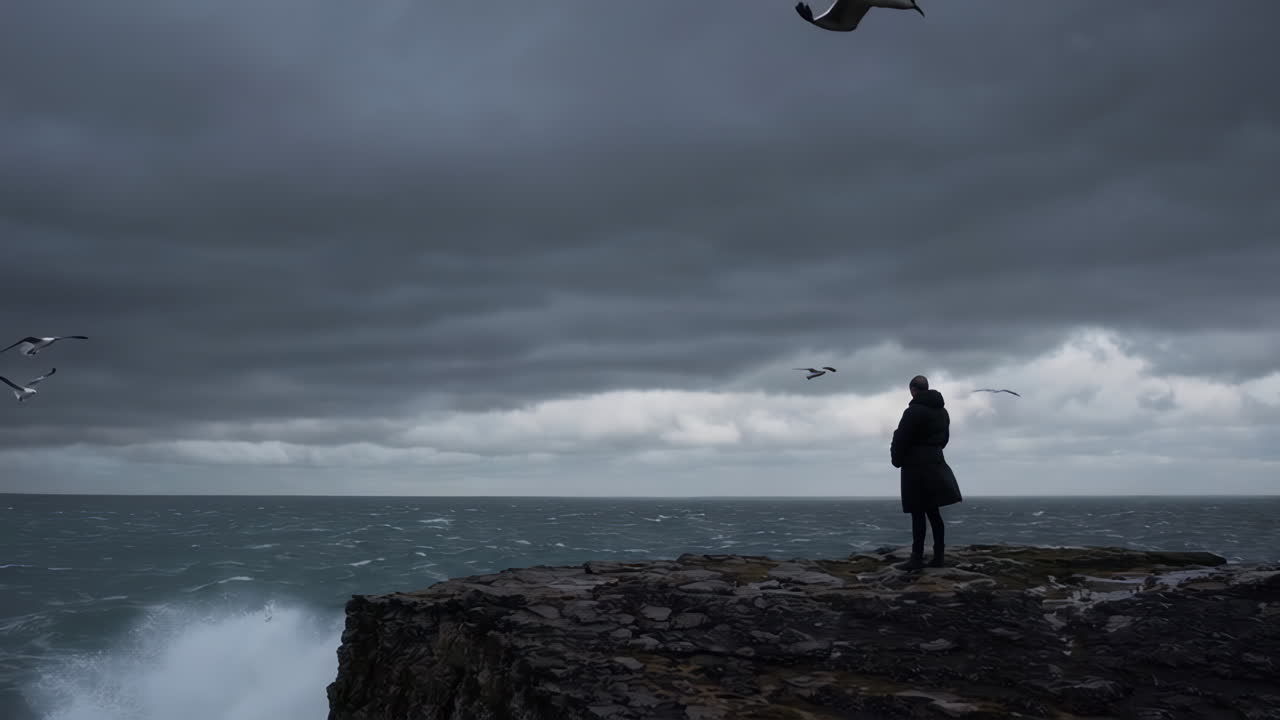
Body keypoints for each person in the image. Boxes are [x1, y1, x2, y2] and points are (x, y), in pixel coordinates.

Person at [890, 375, 962, 570]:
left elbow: (901, 438)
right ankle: (939, 557)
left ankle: (916, 558)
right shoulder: (943, 412)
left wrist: (896, 460)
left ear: (913, 389)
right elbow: (944, 439)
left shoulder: (913, 411)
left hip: (915, 466)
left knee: (918, 513)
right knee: (933, 512)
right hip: (936, 462)